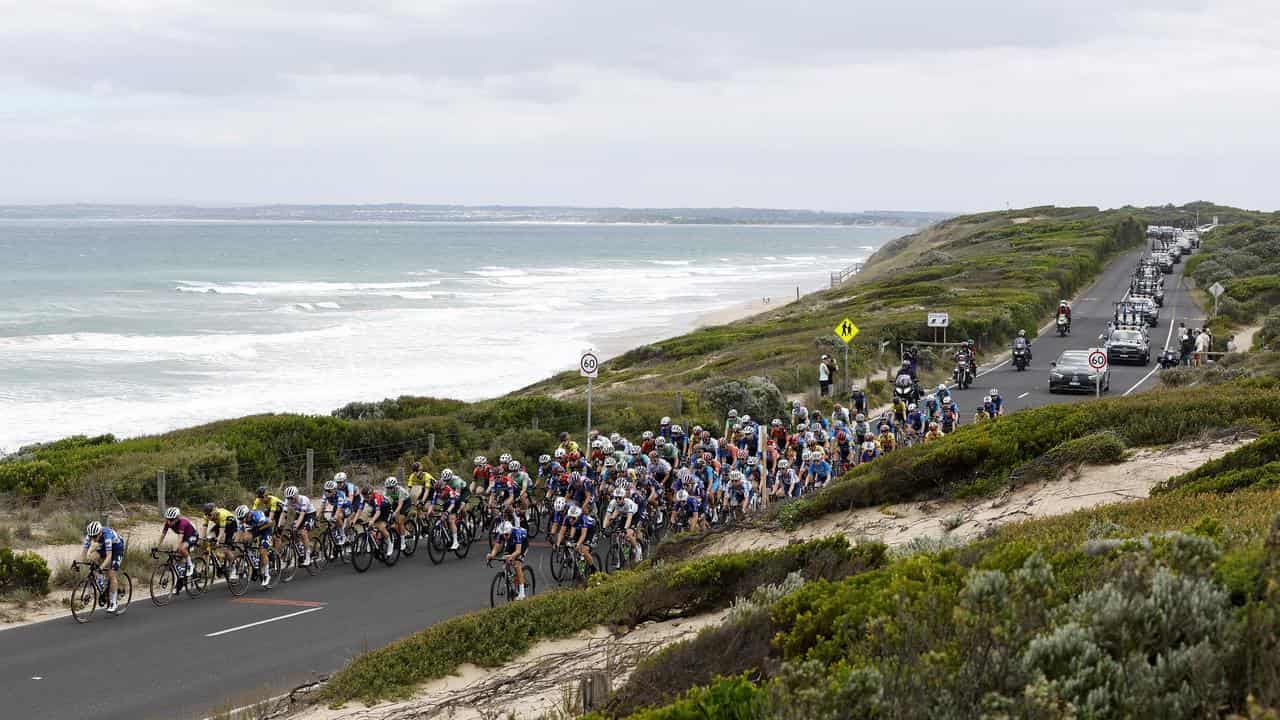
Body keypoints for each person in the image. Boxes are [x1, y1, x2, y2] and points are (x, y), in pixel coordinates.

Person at [81, 520, 125, 612]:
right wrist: (79, 563)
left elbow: (109, 556)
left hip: (117, 547)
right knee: (92, 558)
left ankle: (114, 602)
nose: (93, 538)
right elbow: (84, 552)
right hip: (104, 546)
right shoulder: (90, 535)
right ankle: (101, 580)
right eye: (91, 536)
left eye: (95, 536)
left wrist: (101, 568)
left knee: (111, 574)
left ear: (100, 533)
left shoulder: (107, 536)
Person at [486, 521, 530, 600]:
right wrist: (491, 555)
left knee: (516, 564)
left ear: (510, 531)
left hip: (523, 544)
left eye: (506, 534)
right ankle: (512, 579)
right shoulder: (503, 534)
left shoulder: (516, 533)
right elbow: (496, 547)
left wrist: (512, 556)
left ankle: (522, 593)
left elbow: (518, 551)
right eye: (503, 535)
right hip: (511, 543)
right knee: (505, 559)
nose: (504, 536)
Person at [235, 504, 273, 588]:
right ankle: (254, 561)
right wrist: (236, 543)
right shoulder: (242, 520)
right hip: (256, 529)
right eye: (239, 519)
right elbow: (239, 532)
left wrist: (259, 529)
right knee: (245, 539)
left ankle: (267, 575)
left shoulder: (257, 516)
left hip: (266, 529)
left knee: (262, 551)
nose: (241, 520)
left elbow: (270, 522)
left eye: (242, 518)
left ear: (248, 514)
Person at [157, 506, 198, 583]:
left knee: (181, 548)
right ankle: (183, 574)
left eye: (171, 520)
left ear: (177, 518)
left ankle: (190, 565)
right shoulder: (168, 523)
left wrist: (176, 549)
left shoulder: (182, 523)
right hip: (184, 537)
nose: (169, 522)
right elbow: (163, 535)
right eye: (167, 519)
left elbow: (180, 538)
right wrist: (157, 546)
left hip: (192, 536)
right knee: (178, 557)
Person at [201, 503, 239, 580]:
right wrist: (202, 539)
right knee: (210, 537)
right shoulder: (206, 516)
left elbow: (222, 531)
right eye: (207, 515)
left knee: (226, 547)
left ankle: (234, 568)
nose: (209, 517)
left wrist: (218, 540)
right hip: (220, 525)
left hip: (231, 525)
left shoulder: (221, 514)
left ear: (214, 511)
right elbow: (204, 528)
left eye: (210, 515)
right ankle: (218, 560)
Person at [565, 504, 598, 574]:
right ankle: (577, 562)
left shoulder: (583, 519)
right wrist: (571, 539)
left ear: (578, 516)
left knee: (583, 550)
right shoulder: (573, 519)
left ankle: (593, 568)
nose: (571, 520)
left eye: (573, 518)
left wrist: (578, 544)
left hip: (591, 531)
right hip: (580, 530)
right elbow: (573, 529)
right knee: (572, 544)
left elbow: (583, 535)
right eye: (570, 517)